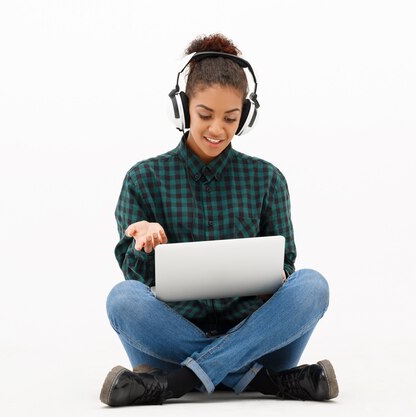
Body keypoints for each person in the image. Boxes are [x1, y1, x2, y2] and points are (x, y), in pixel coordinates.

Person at [100, 33, 339, 406]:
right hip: (170, 342)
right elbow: (137, 282)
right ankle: (268, 383)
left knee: (313, 286)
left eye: (231, 117)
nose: (217, 130)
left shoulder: (268, 179)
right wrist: (145, 243)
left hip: (257, 340)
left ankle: (176, 383)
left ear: (246, 115)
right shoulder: (143, 178)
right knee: (122, 299)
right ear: (183, 109)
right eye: (205, 115)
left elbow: (287, 270)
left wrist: (275, 281)